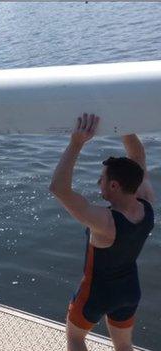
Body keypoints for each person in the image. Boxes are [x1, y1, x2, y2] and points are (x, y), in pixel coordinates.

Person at [49, 114, 155, 351]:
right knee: (124, 347)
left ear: (114, 186)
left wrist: (76, 143)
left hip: (95, 295)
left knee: (75, 339)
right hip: (129, 290)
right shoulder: (147, 204)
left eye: (102, 180)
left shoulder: (104, 222)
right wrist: (122, 124)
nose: (99, 183)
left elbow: (58, 188)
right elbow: (137, 156)